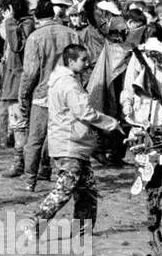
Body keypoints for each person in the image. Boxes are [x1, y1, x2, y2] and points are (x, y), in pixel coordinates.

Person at [24, 44, 122, 236]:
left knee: (88, 190)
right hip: (69, 143)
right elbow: (83, 111)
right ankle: (34, 223)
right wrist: (111, 123)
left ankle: (82, 232)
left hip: (73, 143)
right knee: (65, 189)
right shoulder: (68, 83)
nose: (87, 64)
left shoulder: (60, 80)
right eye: (83, 60)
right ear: (71, 61)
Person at [16, 0, 79, 193]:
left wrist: (24, 97)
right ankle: (66, 177)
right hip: (67, 93)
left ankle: (30, 179)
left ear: (36, 16)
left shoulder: (35, 37)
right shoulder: (72, 34)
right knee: (64, 138)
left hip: (43, 94)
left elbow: (30, 73)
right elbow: (82, 66)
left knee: (35, 139)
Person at [0, 0, 32, 177]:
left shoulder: (24, 24)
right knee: (18, 124)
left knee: (20, 124)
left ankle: (21, 164)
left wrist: (9, 21)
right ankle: (23, 162)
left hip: (19, 83)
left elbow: (17, 46)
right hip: (13, 82)